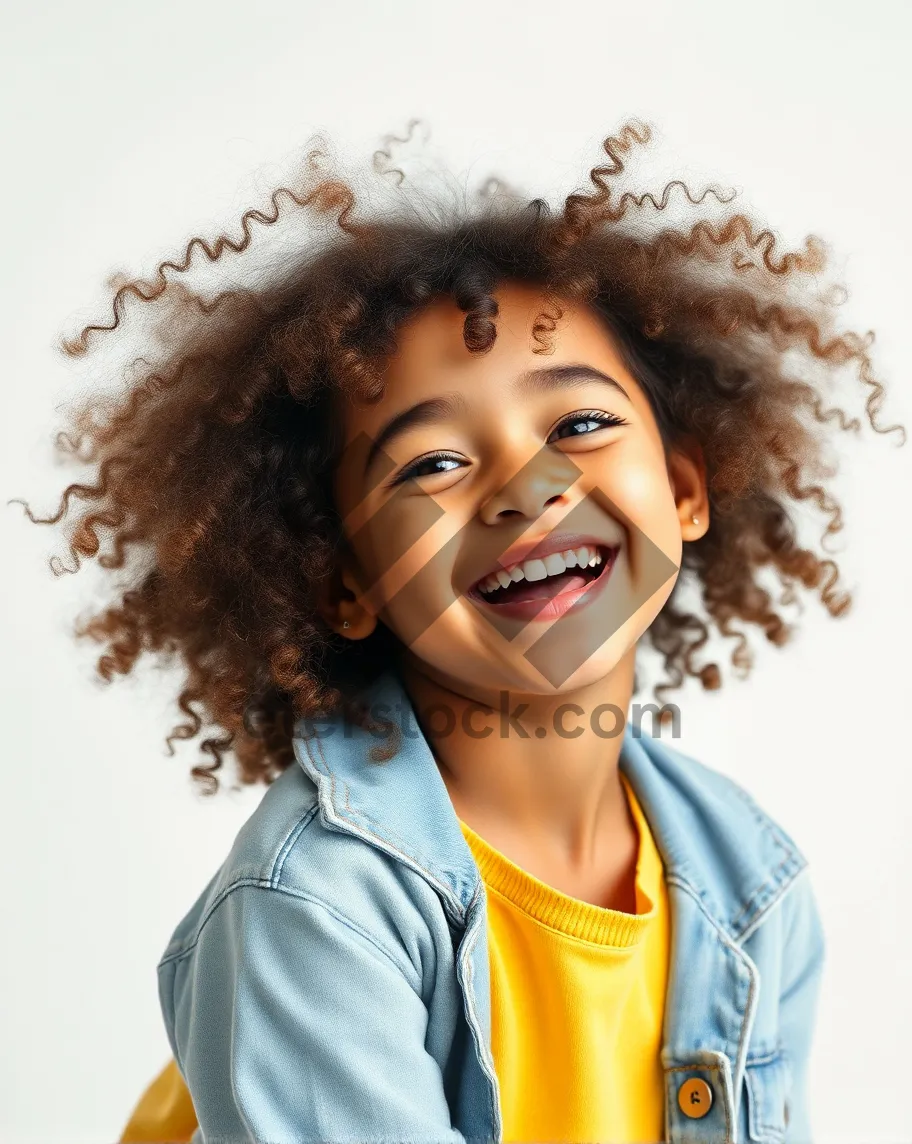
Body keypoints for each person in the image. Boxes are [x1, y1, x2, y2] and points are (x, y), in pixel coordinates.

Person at [24, 119, 902, 1144]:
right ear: (343, 580)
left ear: (683, 486)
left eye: (576, 426)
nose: (529, 491)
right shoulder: (315, 909)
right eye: (434, 464)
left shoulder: (750, 883)